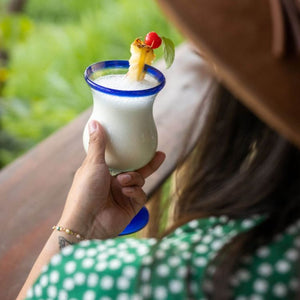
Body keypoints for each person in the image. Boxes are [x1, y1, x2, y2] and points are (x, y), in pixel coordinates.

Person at [18, 1, 300, 299]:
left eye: (214, 58)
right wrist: (95, 223)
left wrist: (76, 224)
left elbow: (44, 289)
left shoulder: (105, 279)